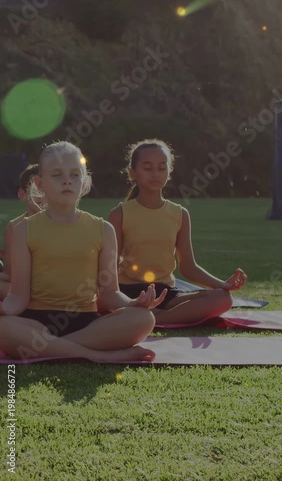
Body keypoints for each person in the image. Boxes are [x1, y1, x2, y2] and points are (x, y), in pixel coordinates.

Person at [0, 141, 167, 363]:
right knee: (4, 327)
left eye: (75, 174)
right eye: (57, 175)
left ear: (84, 182)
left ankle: (53, 348)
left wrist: (132, 303)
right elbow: (18, 296)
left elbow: (110, 293)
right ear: (40, 184)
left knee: (144, 319)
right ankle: (97, 356)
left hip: (86, 322)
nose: (67, 180)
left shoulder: (102, 229)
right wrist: (4, 309)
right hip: (35, 321)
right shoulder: (23, 230)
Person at [109, 139, 247, 325]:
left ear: (169, 172)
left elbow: (188, 267)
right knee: (102, 301)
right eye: (148, 168)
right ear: (133, 173)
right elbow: (109, 268)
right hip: (129, 291)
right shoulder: (119, 214)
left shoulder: (180, 214)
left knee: (223, 298)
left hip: (166, 293)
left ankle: (155, 319)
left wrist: (222, 285)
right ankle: (146, 313)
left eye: (161, 168)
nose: (155, 174)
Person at [0, 164, 40, 301]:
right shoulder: (14, 227)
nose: (42, 196)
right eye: (36, 191)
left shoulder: (65, 223)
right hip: (24, 290)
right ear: (22, 194)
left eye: (47, 190)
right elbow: (9, 274)